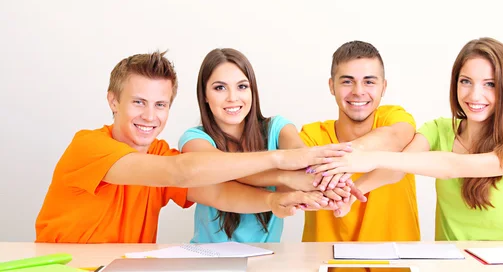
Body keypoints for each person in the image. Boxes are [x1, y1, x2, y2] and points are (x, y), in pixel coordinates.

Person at [35, 51, 350, 243]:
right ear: (113, 101)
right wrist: (283, 160)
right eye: (138, 102)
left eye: (160, 104)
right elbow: (182, 172)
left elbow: (217, 192)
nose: (150, 116)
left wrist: (273, 201)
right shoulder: (88, 146)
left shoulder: (158, 153)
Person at [314, 37, 503, 241]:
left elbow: (452, 166)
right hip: (448, 265)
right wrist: (353, 195)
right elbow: (397, 169)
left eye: (490, 84)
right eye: (465, 81)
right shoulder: (438, 130)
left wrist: (370, 157)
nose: (474, 95)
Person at [179, 48, 361, 243]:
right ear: (204, 94)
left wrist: (332, 184)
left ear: (252, 90)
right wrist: (286, 175)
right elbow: (222, 168)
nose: (233, 97)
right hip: (209, 261)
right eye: (220, 88)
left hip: (267, 260)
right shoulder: (194, 140)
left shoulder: (277, 128)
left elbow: (301, 158)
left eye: (242, 86)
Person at [300, 40, 421, 242]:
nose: (358, 91)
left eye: (369, 81)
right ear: (332, 86)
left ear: (384, 86)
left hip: (395, 264)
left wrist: (343, 158)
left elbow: (396, 135)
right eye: (347, 81)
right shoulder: (312, 136)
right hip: (325, 265)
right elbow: (289, 178)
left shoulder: (394, 117)